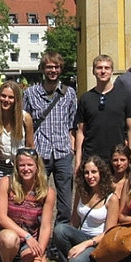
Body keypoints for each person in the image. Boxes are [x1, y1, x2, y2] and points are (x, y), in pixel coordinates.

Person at [23, 52, 78, 226]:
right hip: (40, 153)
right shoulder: (30, 93)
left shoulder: (69, 93)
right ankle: (38, 236)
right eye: (49, 67)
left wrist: (72, 146)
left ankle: (60, 239)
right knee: (37, 199)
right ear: (43, 69)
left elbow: (72, 123)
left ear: (60, 69)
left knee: (65, 203)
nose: (53, 70)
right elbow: (25, 122)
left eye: (56, 67)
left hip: (63, 152)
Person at [52, 156, 119, 262]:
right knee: (60, 229)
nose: (90, 176)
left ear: (101, 173)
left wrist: (85, 244)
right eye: (86, 173)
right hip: (82, 236)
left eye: (94, 172)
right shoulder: (81, 192)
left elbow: (109, 233)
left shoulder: (111, 199)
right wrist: (67, 242)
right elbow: (74, 222)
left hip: (98, 242)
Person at [0, 148, 56, 262]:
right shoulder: (6, 183)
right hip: (11, 235)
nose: (26, 169)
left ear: (37, 167)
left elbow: (46, 226)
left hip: (31, 243)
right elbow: (1, 217)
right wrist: (26, 236)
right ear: (17, 167)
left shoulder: (47, 192)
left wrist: (38, 257)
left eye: (30, 165)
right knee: (9, 239)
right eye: (22, 165)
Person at [74, 54, 131, 167]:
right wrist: (78, 160)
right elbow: (80, 132)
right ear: (93, 71)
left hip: (117, 158)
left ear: (112, 71)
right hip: (91, 158)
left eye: (107, 68)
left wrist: (130, 156)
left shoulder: (125, 97)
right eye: (99, 68)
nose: (103, 71)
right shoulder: (85, 98)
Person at [0, 81, 34, 191]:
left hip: (20, 167)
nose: (6, 100)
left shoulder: (25, 118)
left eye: (10, 97)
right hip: (0, 166)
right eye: (3, 96)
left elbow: (30, 146)